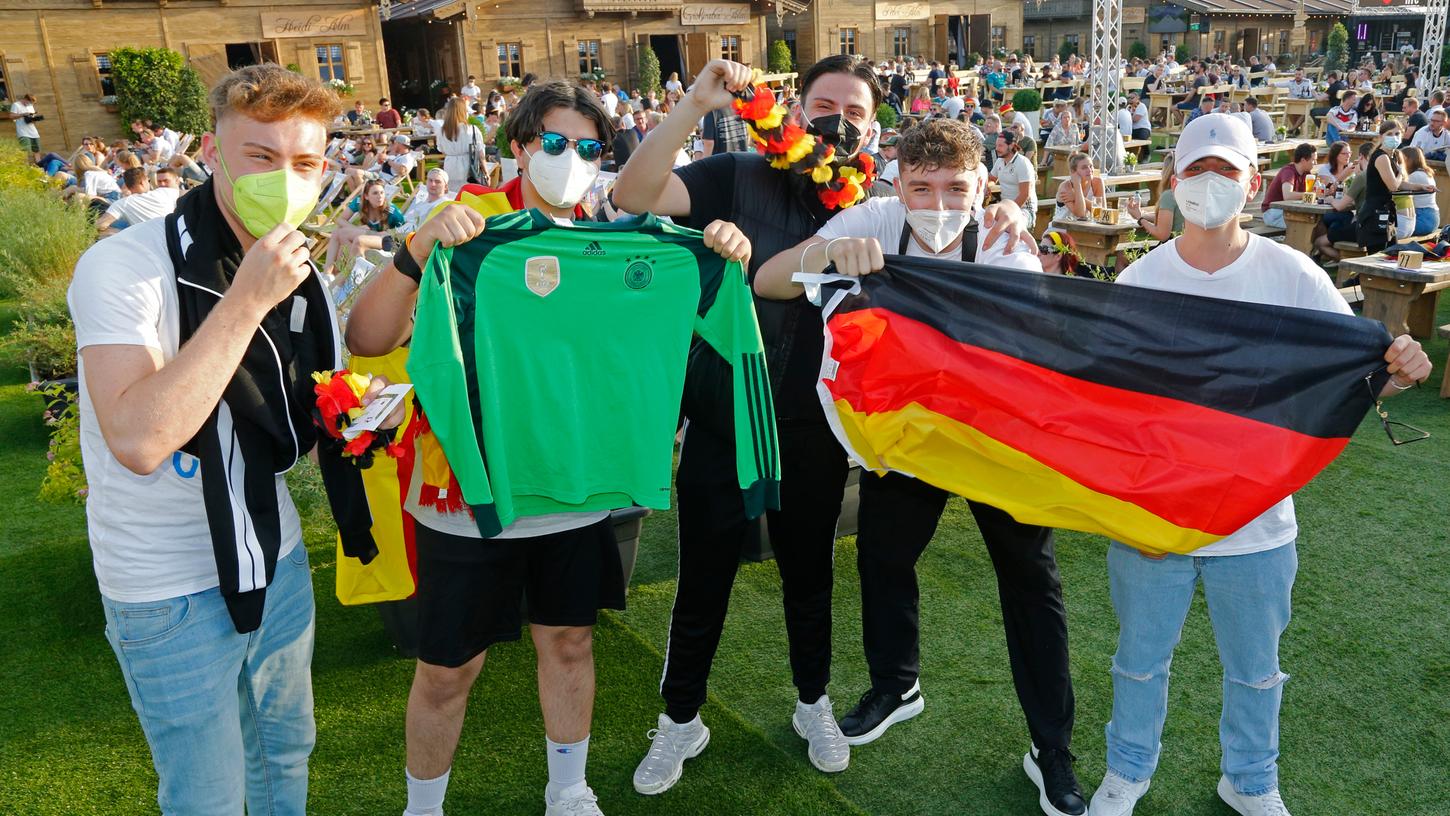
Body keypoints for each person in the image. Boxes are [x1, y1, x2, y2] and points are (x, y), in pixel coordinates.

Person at [612, 54, 1036, 795]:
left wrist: (1008, 210)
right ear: (795, 108)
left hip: (817, 427)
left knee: (809, 576)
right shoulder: (739, 172)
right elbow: (633, 190)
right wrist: (692, 105)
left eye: (857, 111)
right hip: (725, 414)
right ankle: (681, 717)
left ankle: (813, 704)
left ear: (873, 128)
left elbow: (949, 209)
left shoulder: (880, 200)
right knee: (703, 577)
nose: (839, 120)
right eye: (824, 104)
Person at [346, 80, 739, 816]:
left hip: (576, 485)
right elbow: (367, 340)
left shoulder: (619, 246)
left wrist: (722, 250)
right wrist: (413, 253)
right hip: (469, 494)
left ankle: (569, 789)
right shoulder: (467, 228)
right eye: (554, 143)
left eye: (589, 148)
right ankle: (421, 808)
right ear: (521, 145)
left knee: (568, 644)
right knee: (446, 672)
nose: (571, 159)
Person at [1087, 112, 1431, 816]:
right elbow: (1101, 397)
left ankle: (1250, 780)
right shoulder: (1140, 279)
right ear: (1173, 179)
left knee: (1255, 672)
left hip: (1258, 522)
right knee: (1139, 662)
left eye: (1227, 171)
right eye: (1198, 170)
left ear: (1251, 185)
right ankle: (1126, 772)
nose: (1211, 184)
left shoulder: (1293, 274)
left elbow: (1354, 376)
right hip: (1155, 514)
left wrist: (1400, 368)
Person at [65, 62, 387, 816]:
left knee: (284, 755)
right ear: (214, 153)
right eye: (261, 157)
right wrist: (244, 301)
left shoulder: (295, 264)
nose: (286, 179)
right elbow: (140, 439)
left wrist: (353, 415)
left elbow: (290, 405)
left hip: (270, 554)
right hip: (167, 584)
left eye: (304, 162)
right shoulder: (124, 267)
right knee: (208, 794)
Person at [753, 116, 1082, 816]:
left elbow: (1016, 340)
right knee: (882, 555)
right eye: (922, 188)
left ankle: (1051, 747)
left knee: (1030, 580)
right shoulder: (875, 214)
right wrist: (829, 251)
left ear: (983, 185)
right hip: (912, 434)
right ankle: (895, 684)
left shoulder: (999, 237)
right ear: (897, 185)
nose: (938, 204)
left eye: (956, 188)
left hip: (993, 435)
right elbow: (770, 280)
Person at [1358, 121, 1432, 253]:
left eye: (1397, 133)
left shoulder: (1392, 156)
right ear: (1381, 136)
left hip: (1386, 212)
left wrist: (1422, 186)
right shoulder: (1381, 157)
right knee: (1377, 257)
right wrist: (1400, 171)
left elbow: (1401, 184)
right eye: (1389, 134)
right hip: (1375, 213)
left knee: (1390, 255)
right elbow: (1393, 185)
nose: (1394, 137)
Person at [1315, 143, 1372, 261]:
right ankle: (1335, 254)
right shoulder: (1325, 170)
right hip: (1333, 210)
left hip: (1347, 212)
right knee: (1334, 221)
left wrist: (1353, 175)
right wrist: (1343, 175)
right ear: (1335, 155)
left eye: (1350, 153)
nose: (1348, 156)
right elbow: (1325, 191)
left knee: (1340, 221)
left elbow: (1344, 202)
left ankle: (1339, 258)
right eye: (1344, 153)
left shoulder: (1356, 172)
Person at [96, 166, 181, 235]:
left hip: (147, 239)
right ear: (142, 182)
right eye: (148, 181)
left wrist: (120, 234)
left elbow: (100, 225)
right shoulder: (165, 191)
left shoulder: (122, 203)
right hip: (173, 235)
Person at [1125, 153, 1182, 242]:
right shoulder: (1184, 192)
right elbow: (1169, 219)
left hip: (1173, 249)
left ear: (1165, 172)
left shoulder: (1169, 196)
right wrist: (1142, 215)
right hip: (1189, 247)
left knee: (1124, 251)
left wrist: (1140, 219)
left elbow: (1162, 235)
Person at [435, 96, 486, 192]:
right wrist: (486, 171)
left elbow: (441, 149)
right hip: (469, 166)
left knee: (453, 195)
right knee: (469, 194)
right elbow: (480, 153)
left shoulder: (442, 131)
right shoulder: (472, 129)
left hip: (450, 164)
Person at [1260, 142, 1315, 229]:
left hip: (1287, 210)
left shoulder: (1306, 173)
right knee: (1305, 225)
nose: (1315, 163)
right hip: (1273, 213)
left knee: (1315, 222)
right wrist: (1310, 194)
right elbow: (1288, 196)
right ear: (1303, 160)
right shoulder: (1289, 171)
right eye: (1313, 160)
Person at [992, 130, 1037, 215]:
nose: (997, 149)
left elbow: (1024, 195)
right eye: (996, 145)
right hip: (1006, 208)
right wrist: (987, 187)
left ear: (1011, 145)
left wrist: (1008, 212)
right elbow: (991, 179)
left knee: (1001, 224)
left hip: (1025, 210)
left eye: (1000, 146)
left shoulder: (1023, 163)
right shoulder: (1000, 161)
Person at [1400, 146, 1440, 236]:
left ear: (1409, 160)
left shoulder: (1415, 176)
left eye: (1401, 159)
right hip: (1431, 218)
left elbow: (1397, 187)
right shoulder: (1425, 173)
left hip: (1423, 219)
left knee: (1389, 230)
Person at [1055, 152, 1103, 222]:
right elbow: (1080, 214)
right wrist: (1077, 184)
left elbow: (1102, 212)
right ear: (1073, 171)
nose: (1089, 170)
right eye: (1084, 168)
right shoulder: (1065, 187)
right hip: (1061, 229)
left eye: (1091, 166)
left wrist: (1075, 196)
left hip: (1086, 228)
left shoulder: (1097, 182)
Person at [9, 92, 42, 160]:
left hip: (33, 132)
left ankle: (39, 165)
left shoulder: (30, 106)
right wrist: (23, 114)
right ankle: (27, 167)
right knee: (26, 151)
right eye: (30, 102)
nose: (30, 104)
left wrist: (34, 119)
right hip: (23, 132)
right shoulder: (16, 105)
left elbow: (32, 118)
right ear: (25, 99)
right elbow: (11, 116)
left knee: (37, 150)